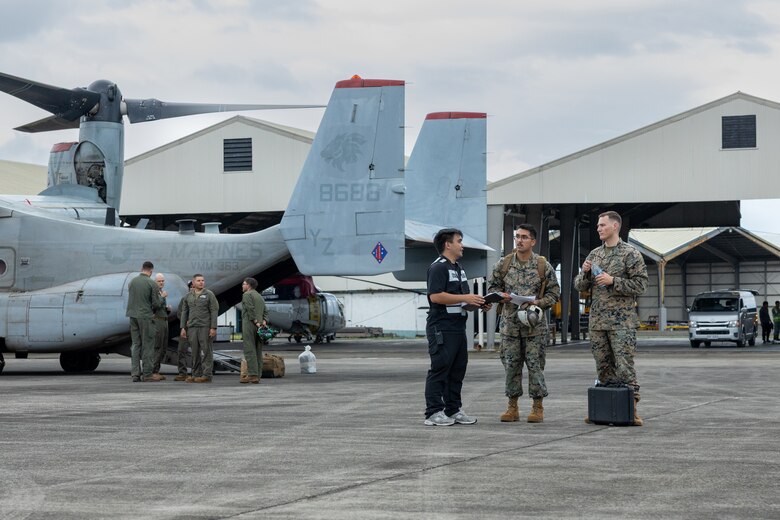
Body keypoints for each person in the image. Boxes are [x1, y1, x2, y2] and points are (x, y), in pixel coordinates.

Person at [574, 211, 648, 426]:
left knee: (624, 366)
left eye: (602, 225)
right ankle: (606, 409)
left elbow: (641, 285)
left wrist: (613, 280)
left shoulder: (630, 254)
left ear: (615, 226)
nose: (598, 228)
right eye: (598, 225)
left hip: (621, 322)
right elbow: (579, 286)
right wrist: (585, 273)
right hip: (598, 321)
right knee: (603, 365)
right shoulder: (594, 255)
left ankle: (631, 408)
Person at [487, 224, 560, 423]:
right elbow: (492, 286)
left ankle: (537, 407)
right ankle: (512, 407)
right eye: (517, 236)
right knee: (511, 365)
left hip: (534, 326)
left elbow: (554, 293)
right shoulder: (504, 264)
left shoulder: (542, 265)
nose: (519, 240)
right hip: (510, 325)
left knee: (535, 366)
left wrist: (538, 302)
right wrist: (500, 296)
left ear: (533, 241)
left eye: (524, 237)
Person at [423, 228, 489, 426]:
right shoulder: (438, 268)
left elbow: (464, 302)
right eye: (459, 241)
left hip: (458, 327)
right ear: (447, 244)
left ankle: (453, 410)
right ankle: (433, 412)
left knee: (457, 369)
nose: (462, 245)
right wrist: (465, 297)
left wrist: (477, 302)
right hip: (441, 327)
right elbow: (435, 296)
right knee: (440, 368)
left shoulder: (459, 268)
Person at [126, 261, 163, 382]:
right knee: (148, 345)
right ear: (151, 271)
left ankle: (135, 374)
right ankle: (147, 374)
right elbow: (156, 304)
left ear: (141, 268)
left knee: (136, 344)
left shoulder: (132, 282)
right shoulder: (151, 283)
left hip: (133, 316)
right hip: (146, 317)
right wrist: (162, 298)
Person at [180, 274, 218, 383]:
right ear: (193, 283)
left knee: (206, 351)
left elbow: (214, 310)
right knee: (194, 351)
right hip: (192, 327)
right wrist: (183, 327)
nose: (201, 282)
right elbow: (184, 312)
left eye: (203, 280)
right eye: (199, 280)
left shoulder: (209, 294)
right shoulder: (188, 296)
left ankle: (207, 374)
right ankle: (196, 374)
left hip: (205, 326)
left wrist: (213, 327)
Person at [240, 277, 268, 384]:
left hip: (250, 324)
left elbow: (250, 309)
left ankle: (252, 375)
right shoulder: (259, 296)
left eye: (244, 284)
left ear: (249, 286)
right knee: (258, 350)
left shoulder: (247, 295)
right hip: (261, 325)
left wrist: (255, 321)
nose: (242, 286)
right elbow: (265, 310)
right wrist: (264, 321)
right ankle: (258, 374)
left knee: (249, 349)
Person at [151, 273, 171, 380]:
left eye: (163, 281)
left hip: (164, 321)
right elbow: (154, 306)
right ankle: (153, 371)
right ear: (155, 282)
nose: (162, 283)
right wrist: (162, 298)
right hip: (157, 322)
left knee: (163, 347)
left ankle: (156, 370)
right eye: (159, 281)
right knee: (157, 347)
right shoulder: (154, 293)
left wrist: (166, 309)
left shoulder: (160, 292)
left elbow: (159, 308)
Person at [173, 281, 194, 381]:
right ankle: (182, 373)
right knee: (181, 350)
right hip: (185, 328)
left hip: (197, 329)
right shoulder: (184, 299)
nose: (193, 288)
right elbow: (179, 313)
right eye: (191, 287)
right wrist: (185, 323)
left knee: (196, 352)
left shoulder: (205, 298)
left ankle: (196, 373)